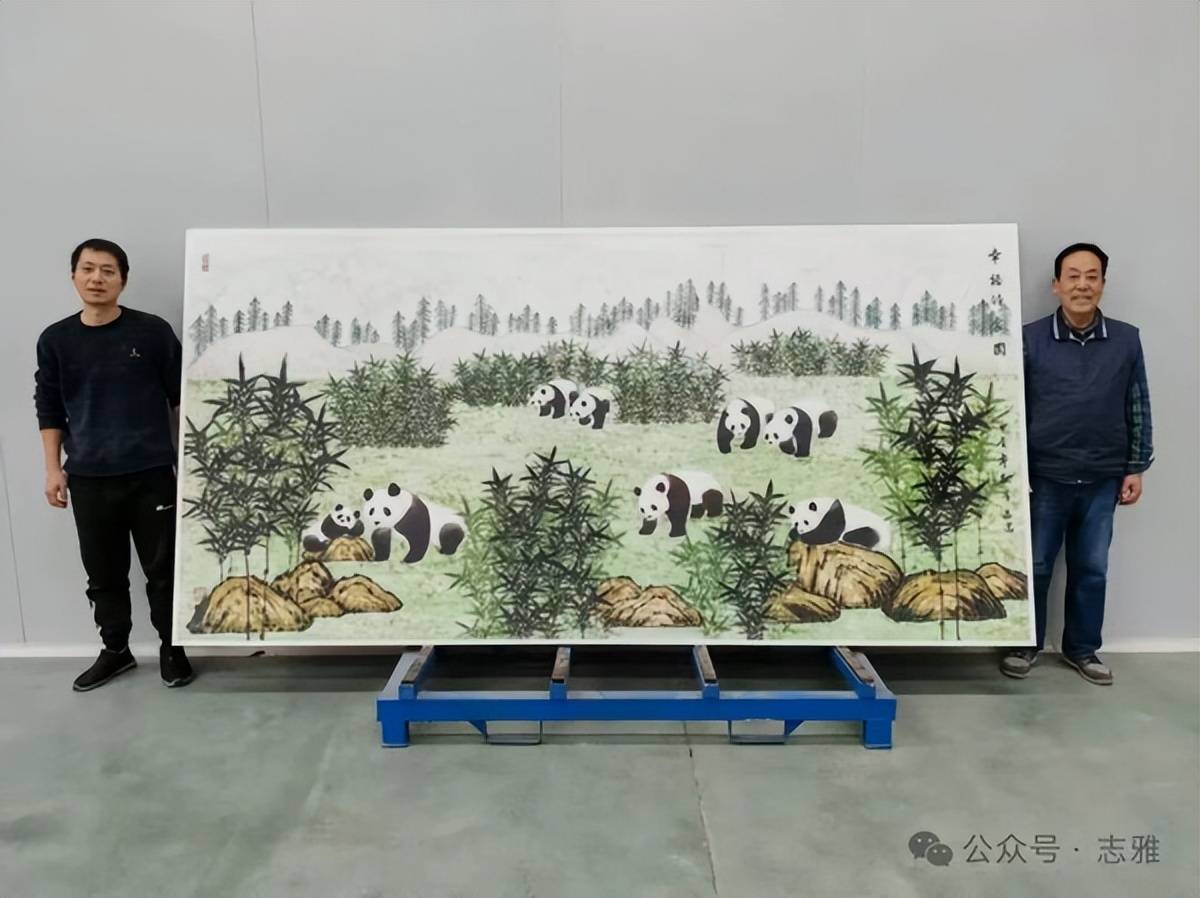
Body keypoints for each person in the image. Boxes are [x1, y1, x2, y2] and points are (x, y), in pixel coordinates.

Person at [34, 238, 194, 691]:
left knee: (163, 571)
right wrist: (53, 469)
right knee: (103, 574)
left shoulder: (152, 332)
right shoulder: (56, 340)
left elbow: (182, 398)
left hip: (151, 474)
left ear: (123, 279)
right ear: (73, 276)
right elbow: (49, 407)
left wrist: (193, 464)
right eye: (88, 269)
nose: (97, 278)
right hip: (88, 477)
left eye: (108, 270)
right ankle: (116, 650)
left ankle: (172, 649)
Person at [1001, 242, 1153, 685]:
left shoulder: (1126, 340)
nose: (1082, 285)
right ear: (1056, 285)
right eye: (1073, 276)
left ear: (1103, 284)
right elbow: (1011, 407)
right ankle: (1024, 645)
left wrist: (1136, 466)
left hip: (1104, 476)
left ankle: (1082, 649)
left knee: (1091, 568)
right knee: (1037, 565)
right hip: (1043, 476)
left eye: (1092, 276)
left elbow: (1138, 403)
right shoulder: (1028, 339)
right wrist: (1015, 469)